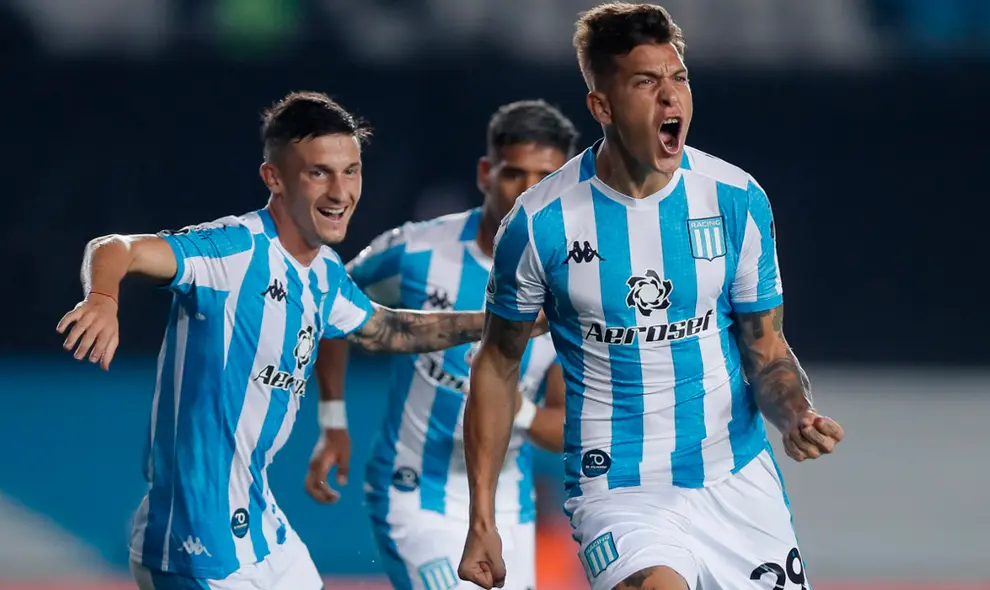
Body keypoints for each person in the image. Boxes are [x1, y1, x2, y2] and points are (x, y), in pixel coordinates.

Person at [55, 91, 538, 590]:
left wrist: (500, 319)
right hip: (193, 544)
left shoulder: (324, 273)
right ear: (274, 178)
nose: (340, 191)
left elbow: (386, 329)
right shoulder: (234, 250)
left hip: (261, 528)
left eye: (351, 171)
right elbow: (116, 247)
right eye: (319, 173)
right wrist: (104, 299)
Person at [458, 4, 845, 590]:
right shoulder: (541, 223)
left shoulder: (735, 199)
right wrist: (482, 520)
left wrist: (795, 414)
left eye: (679, 78)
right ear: (602, 106)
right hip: (619, 488)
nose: (672, 99)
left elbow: (766, 348)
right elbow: (496, 364)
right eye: (646, 82)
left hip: (735, 479)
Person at [304, 100, 579, 590]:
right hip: (411, 491)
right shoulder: (415, 251)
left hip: (507, 509)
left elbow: (567, 427)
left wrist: (520, 413)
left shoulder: (576, 289)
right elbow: (330, 308)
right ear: (484, 173)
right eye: (515, 174)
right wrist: (332, 420)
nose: (529, 193)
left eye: (547, 179)